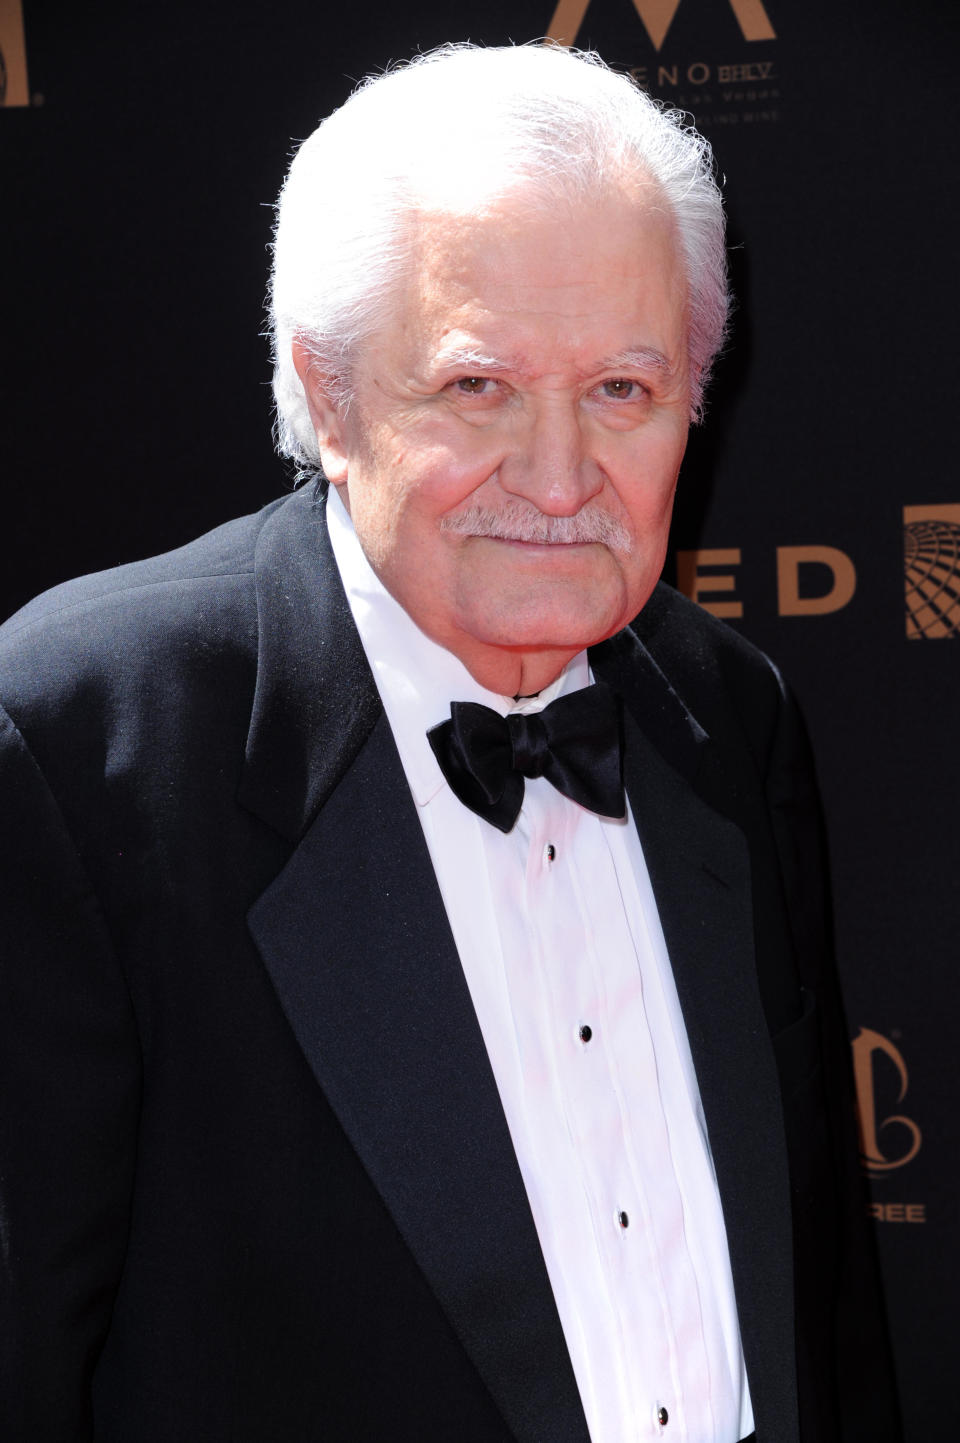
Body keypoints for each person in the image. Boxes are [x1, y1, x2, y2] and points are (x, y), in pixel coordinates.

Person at [0, 42, 898, 1443]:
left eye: (623, 390)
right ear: (333, 396)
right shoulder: (80, 741)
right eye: (480, 387)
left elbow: (826, 1315)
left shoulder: (728, 711)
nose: (558, 477)